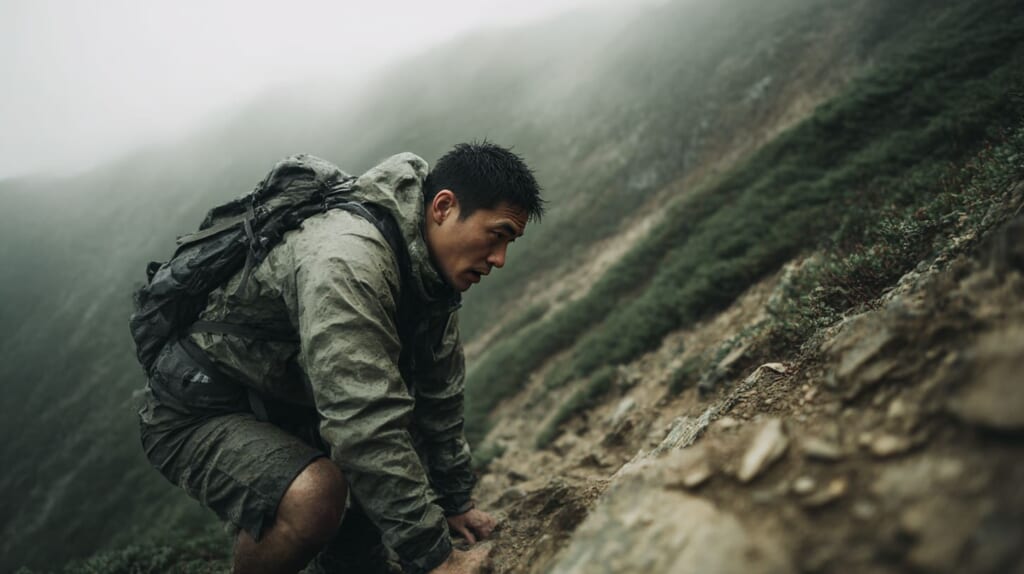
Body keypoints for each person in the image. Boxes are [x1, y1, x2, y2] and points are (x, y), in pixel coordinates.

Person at [137, 141, 544, 574]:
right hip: (199, 408)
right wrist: (436, 558)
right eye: (496, 235)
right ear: (443, 207)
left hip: (288, 403)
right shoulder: (346, 260)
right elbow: (361, 421)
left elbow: (438, 395)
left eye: (509, 243)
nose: (499, 259)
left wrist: (455, 501)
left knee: (390, 461)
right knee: (317, 495)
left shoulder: (429, 276)